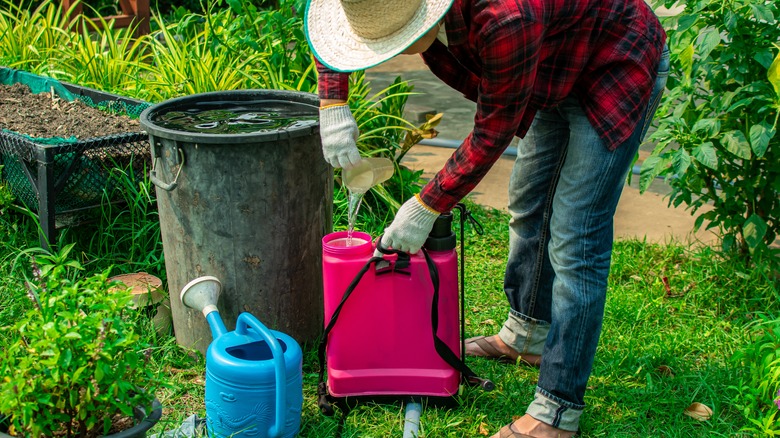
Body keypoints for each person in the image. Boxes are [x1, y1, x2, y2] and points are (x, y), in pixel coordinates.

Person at [305, 0, 668, 435]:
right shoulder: (394, 7)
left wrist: (426, 205)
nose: (387, 52)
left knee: (576, 237)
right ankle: (527, 335)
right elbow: (329, 24)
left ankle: (556, 412)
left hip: (613, 62)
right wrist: (332, 104)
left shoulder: (505, 18)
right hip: (549, 61)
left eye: (389, 41)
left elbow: (493, 129)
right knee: (530, 203)